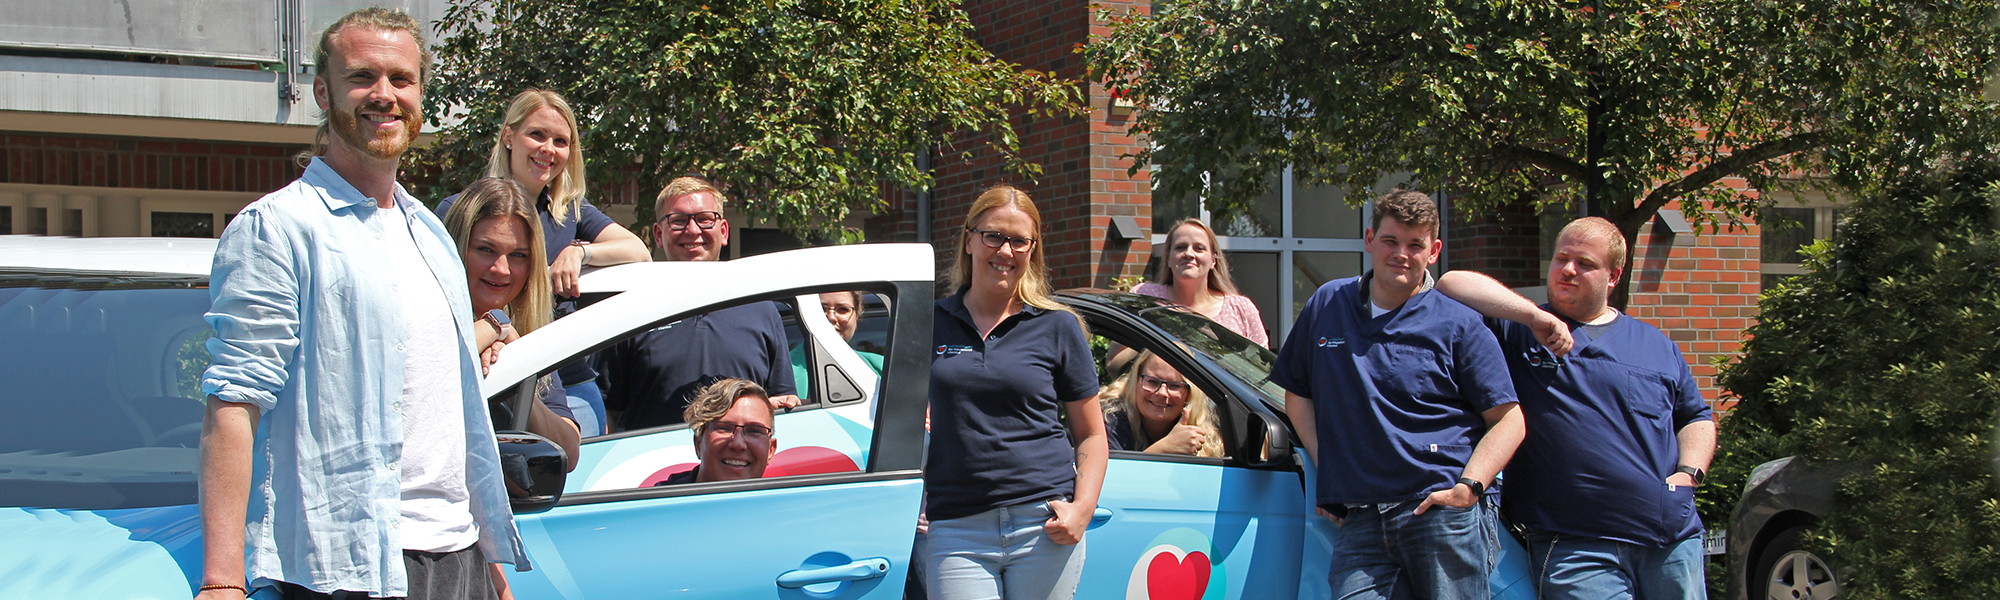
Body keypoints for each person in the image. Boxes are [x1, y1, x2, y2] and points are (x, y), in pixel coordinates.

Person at [195, 9, 525, 600]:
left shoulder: (430, 233)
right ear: (322, 92)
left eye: (401, 79)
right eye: (361, 77)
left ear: (420, 95)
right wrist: (222, 582)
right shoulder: (278, 228)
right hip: (342, 567)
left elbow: (451, 410)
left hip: (458, 557)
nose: (384, 95)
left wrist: (489, 557)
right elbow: (235, 402)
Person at [1436, 217, 1716, 599]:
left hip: (1670, 540)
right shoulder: (1521, 332)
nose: (1568, 270)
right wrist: (1533, 316)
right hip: (1575, 547)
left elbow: (1695, 417)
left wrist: (1690, 472)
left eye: (1584, 263)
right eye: (1561, 258)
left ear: (1613, 276)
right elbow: (1452, 284)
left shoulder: (1656, 345)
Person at [1269, 189, 1524, 600]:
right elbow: (1298, 394)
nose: (1401, 254)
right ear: (1370, 240)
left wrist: (1469, 487)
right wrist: (1327, 466)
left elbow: (1509, 419)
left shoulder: (1460, 324)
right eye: (1390, 240)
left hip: (1440, 509)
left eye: (1415, 245)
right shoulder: (1328, 304)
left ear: (1434, 251)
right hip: (1361, 515)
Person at [924, 185, 1108, 600]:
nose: (1005, 251)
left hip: (1043, 524)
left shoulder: (1058, 326)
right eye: (993, 236)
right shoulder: (930, 323)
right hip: (957, 527)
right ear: (969, 240)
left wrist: (1082, 509)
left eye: (1019, 241)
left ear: (1032, 250)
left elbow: (1092, 433)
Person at [436, 89, 652, 437]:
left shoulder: (569, 213)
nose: (548, 149)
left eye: (560, 141)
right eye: (537, 134)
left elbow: (638, 250)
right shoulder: (461, 210)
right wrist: (492, 330)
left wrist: (580, 252)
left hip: (565, 381)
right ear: (509, 137)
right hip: (486, 367)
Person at [598, 177, 799, 431]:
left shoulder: (762, 308)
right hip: (655, 455)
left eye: (705, 219)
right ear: (658, 234)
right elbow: (607, 411)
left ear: (723, 232)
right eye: (678, 220)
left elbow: (782, 401)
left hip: (738, 453)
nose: (693, 230)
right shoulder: (630, 310)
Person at [439, 176, 583, 472]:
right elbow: (430, 369)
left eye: (518, 255)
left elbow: (568, 451)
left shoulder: (524, 337)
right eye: (485, 250)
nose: (501, 269)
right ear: (456, 247)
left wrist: (517, 380)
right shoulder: (421, 320)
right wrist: (494, 326)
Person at [1133, 219, 1268, 347]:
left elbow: (1262, 362)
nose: (1189, 254)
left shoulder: (1240, 308)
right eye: (1180, 247)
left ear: (1213, 261)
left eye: (1199, 248)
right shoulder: (1144, 296)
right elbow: (1120, 356)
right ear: (1168, 259)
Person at [652, 378, 780, 485]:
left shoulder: (785, 505)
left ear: (770, 450)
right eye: (724, 428)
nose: (738, 444)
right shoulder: (657, 505)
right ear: (698, 444)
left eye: (754, 431)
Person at [1101, 350, 1224, 457]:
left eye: (1175, 386)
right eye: (1152, 382)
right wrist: (1165, 447)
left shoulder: (1208, 434)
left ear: (1190, 393)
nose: (1162, 393)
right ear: (1136, 380)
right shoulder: (1109, 420)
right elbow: (1112, 475)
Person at [790, 290, 887, 399]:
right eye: (821, 309)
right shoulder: (781, 372)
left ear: (857, 316)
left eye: (842, 309)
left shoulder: (882, 366)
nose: (831, 317)